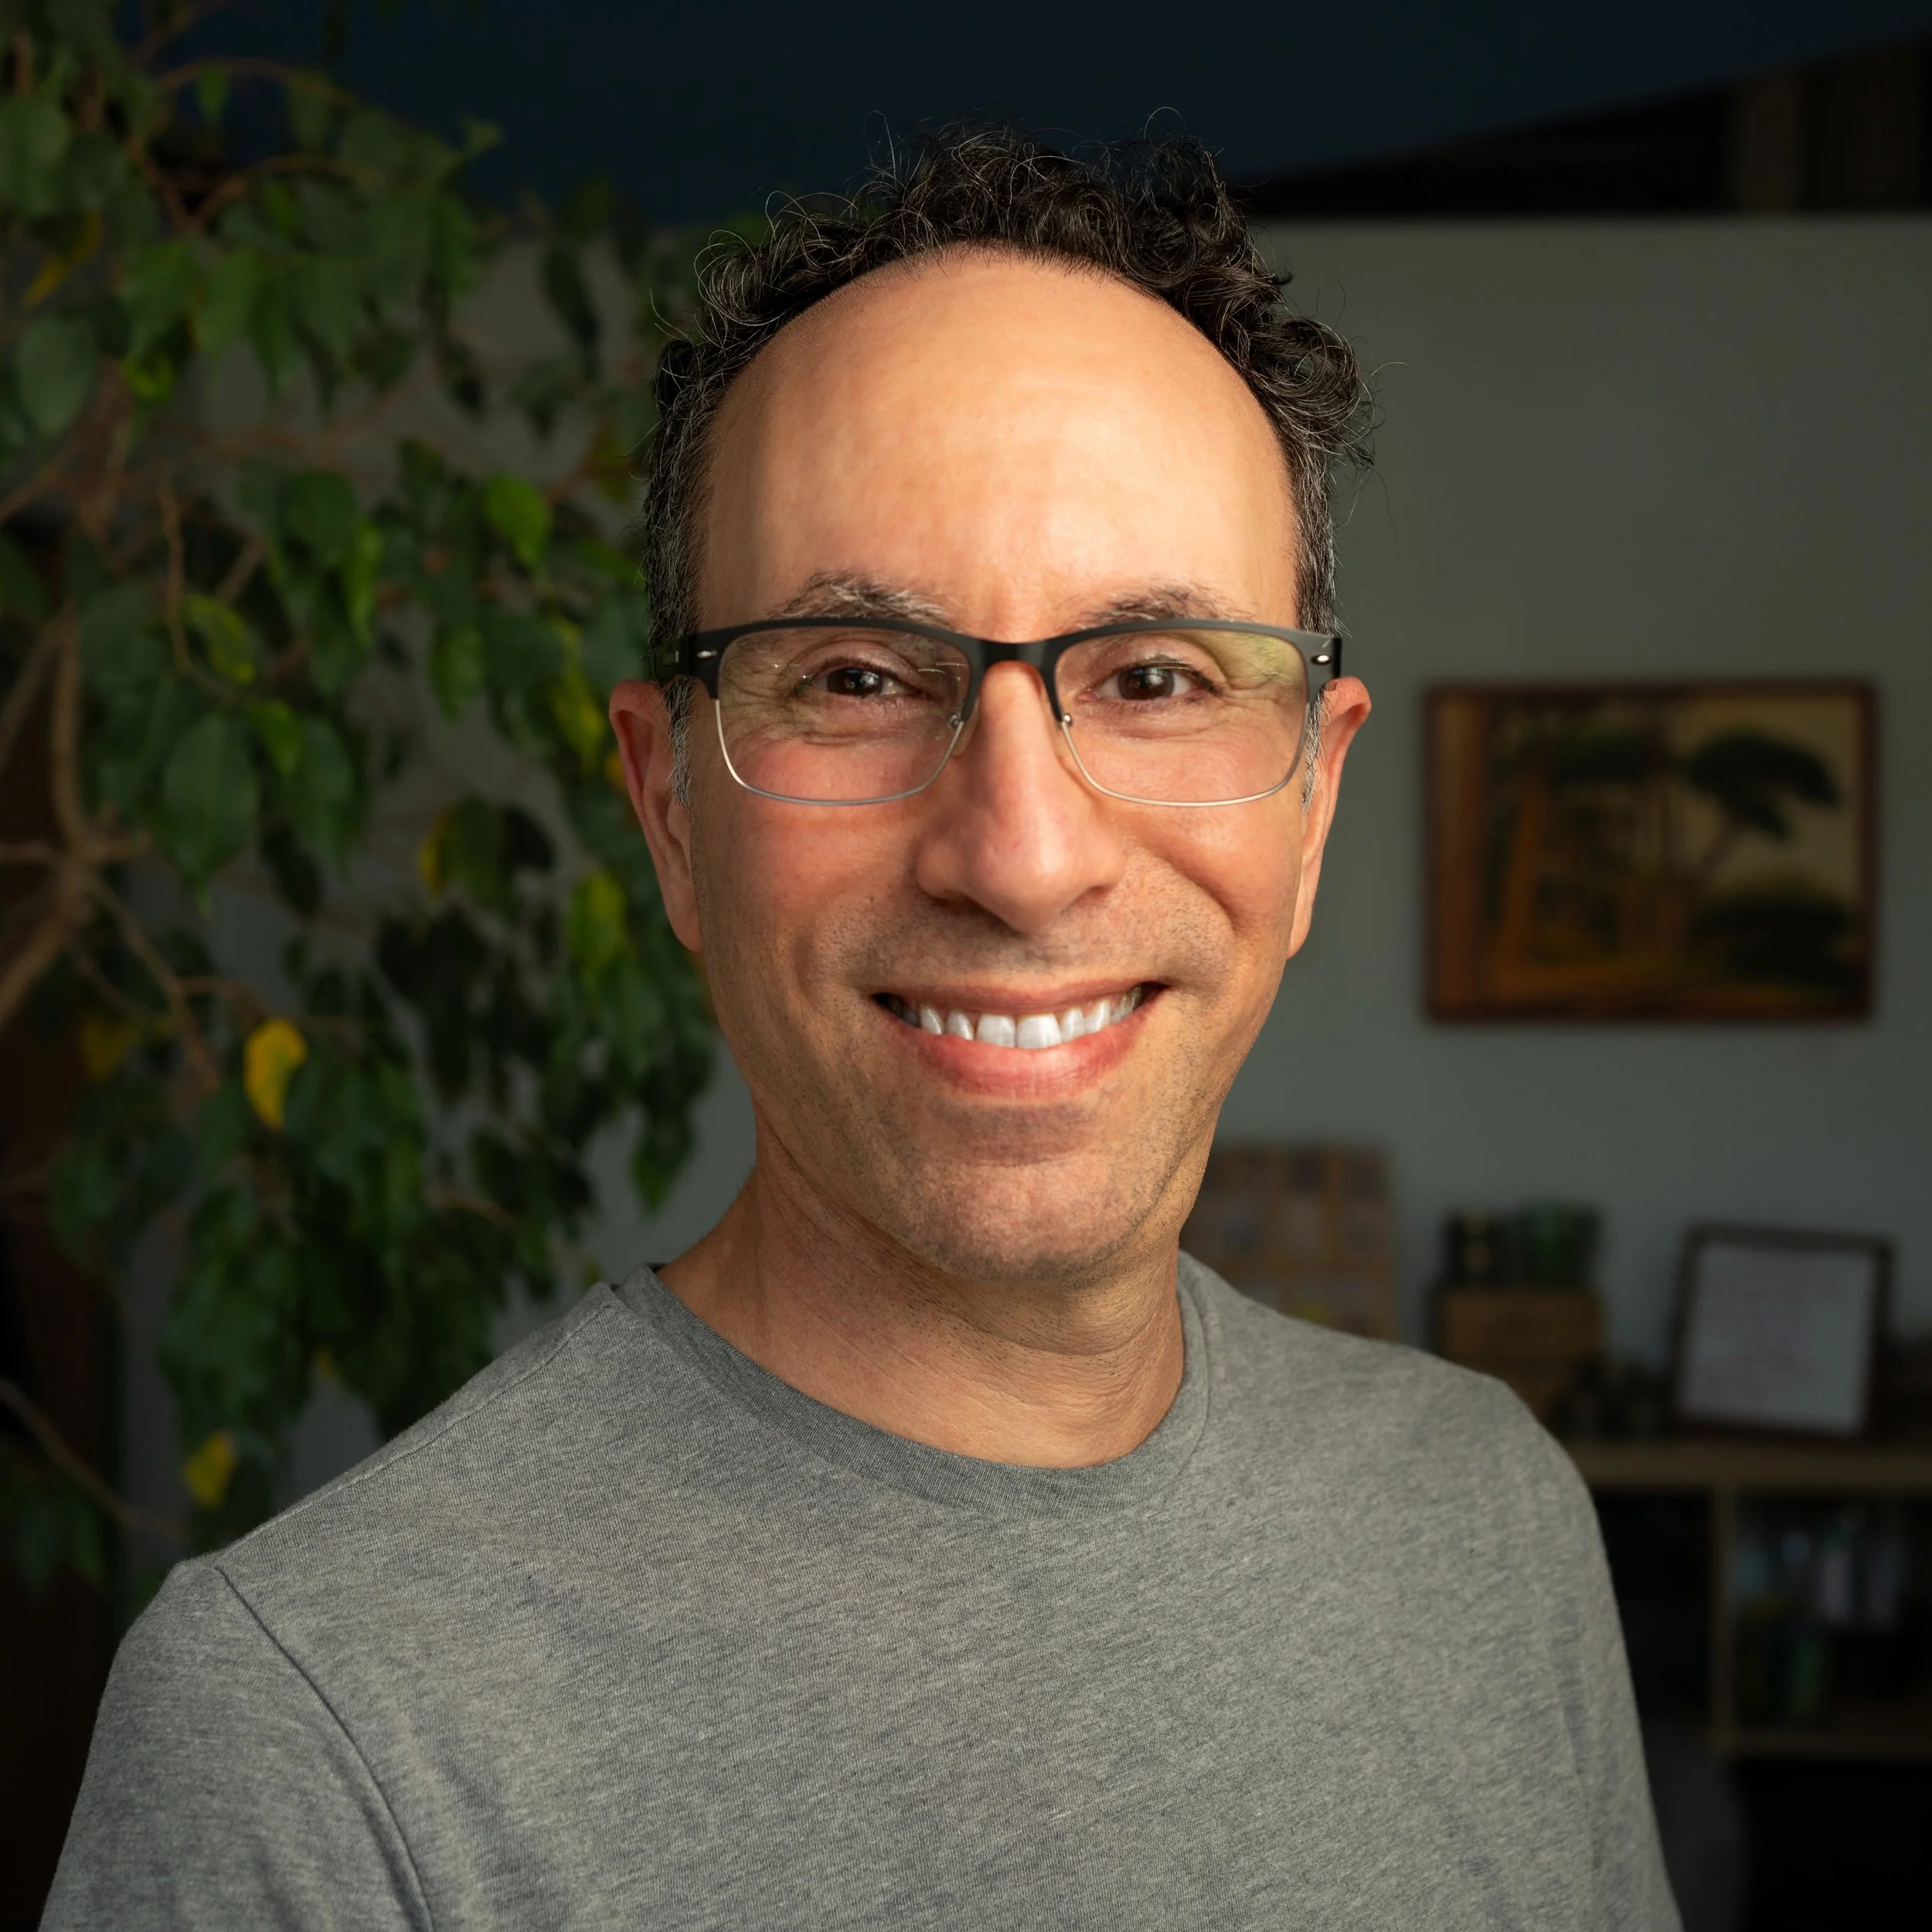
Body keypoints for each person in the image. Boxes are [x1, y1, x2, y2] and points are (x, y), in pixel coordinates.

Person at [46, 128, 1678, 1930]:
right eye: (854, 677)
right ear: (669, 809)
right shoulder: (310, 1734)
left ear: (1309, 804)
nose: (1020, 855)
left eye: (1151, 677)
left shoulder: (1485, 1520)